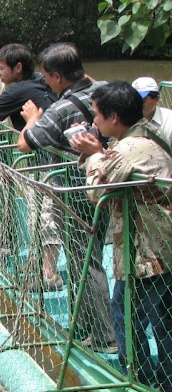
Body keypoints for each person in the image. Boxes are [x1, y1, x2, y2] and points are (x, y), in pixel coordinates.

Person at [71, 81, 172, 392]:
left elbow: (96, 191)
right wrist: (100, 151)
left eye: (97, 115)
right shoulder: (140, 138)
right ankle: (153, 379)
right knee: (148, 315)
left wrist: (92, 155)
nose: (93, 122)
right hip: (153, 247)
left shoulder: (129, 148)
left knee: (140, 317)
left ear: (114, 117)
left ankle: (145, 382)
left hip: (148, 253)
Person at [17, 42, 116, 351]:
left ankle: (105, 337)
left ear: (57, 77)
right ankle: (89, 327)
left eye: (47, 76)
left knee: (86, 262)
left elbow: (25, 143)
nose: (45, 82)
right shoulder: (105, 90)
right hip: (111, 182)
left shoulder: (61, 108)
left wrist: (32, 117)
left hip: (77, 193)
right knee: (89, 257)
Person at [132, 76, 172, 144]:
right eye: (133, 99)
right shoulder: (124, 119)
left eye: (142, 100)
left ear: (156, 99)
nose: (136, 104)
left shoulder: (169, 122)